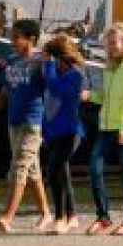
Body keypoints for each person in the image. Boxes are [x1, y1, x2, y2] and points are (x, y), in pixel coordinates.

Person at [0, 19, 52, 231]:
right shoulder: (11, 60)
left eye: (17, 37)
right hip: (13, 123)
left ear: (32, 39)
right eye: (12, 36)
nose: (12, 41)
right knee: (32, 170)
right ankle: (46, 214)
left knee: (18, 168)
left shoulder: (41, 63)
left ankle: (7, 218)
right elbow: (4, 93)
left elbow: (54, 89)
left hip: (32, 123)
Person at [86, 23, 123, 236]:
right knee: (94, 169)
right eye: (107, 44)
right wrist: (90, 96)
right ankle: (103, 216)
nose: (109, 48)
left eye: (113, 44)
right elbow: (106, 97)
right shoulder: (109, 67)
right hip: (106, 126)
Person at [38, 34, 89, 234]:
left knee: (53, 170)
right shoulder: (54, 72)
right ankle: (73, 215)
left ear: (59, 58)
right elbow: (48, 100)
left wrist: (49, 66)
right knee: (63, 173)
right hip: (52, 131)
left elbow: (56, 90)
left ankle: (59, 218)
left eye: (51, 59)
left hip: (70, 132)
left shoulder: (76, 74)